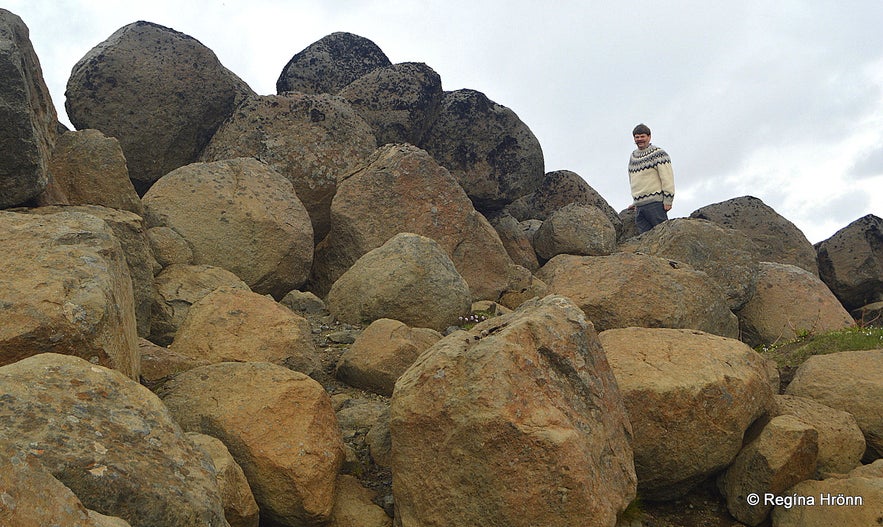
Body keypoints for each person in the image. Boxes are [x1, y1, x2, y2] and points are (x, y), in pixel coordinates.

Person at [627, 123, 675, 233]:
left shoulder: (659, 154)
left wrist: (668, 199)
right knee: (645, 240)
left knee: (663, 235)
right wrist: (635, 202)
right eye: (637, 137)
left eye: (642, 136)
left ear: (649, 137)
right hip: (640, 206)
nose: (639, 139)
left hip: (656, 204)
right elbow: (633, 179)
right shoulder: (633, 156)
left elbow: (667, 177)